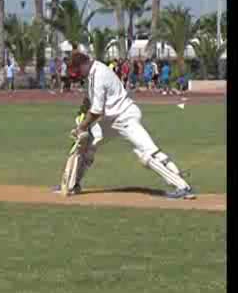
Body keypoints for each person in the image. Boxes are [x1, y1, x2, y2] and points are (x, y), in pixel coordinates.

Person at [53, 53, 195, 199]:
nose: (78, 76)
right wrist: (81, 114)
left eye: (77, 71)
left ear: (83, 65)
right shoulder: (91, 73)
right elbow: (89, 100)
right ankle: (72, 184)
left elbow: (96, 110)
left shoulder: (99, 75)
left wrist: (82, 127)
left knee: (147, 154)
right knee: (87, 145)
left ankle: (182, 186)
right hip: (111, 119)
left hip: (125, 116)